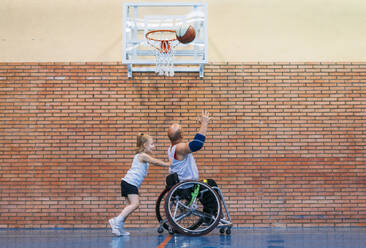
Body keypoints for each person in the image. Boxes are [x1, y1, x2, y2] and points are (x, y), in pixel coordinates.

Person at [109, 133, 170, 236]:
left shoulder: (141, 156)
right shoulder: (142, 156)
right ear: (144, 145)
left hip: (127, 183)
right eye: (152, 144)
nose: (154, 146)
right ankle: (116, 220)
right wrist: (168, 164)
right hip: (130, 183)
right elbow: (155, 161)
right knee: (135, 204)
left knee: (129, 206)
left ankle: (118, 227)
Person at [167, 110, 213, 182]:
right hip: (187, 186)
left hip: (182, 184)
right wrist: (204, 123)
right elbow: (197, 144)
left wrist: (201, 126)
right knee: (211, 183)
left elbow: (194, 142)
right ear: (181, 135)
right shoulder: (178, 148)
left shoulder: (171, 148)